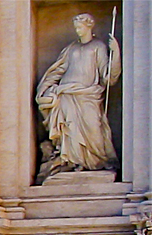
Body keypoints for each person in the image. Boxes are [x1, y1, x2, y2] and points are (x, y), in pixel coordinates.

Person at [35, 13, 121, 183]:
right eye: (76, 27)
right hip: (67, 94)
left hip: (88, 95)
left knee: (93, 128)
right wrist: (44, 88)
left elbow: (107, 76)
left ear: (89, 27)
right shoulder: (71, 49)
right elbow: (58, 70)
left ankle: (96, 162)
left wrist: (116, 52)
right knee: (70, 130)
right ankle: (73, 162)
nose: (77, 30)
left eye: (80, 27)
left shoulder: (98, 46)